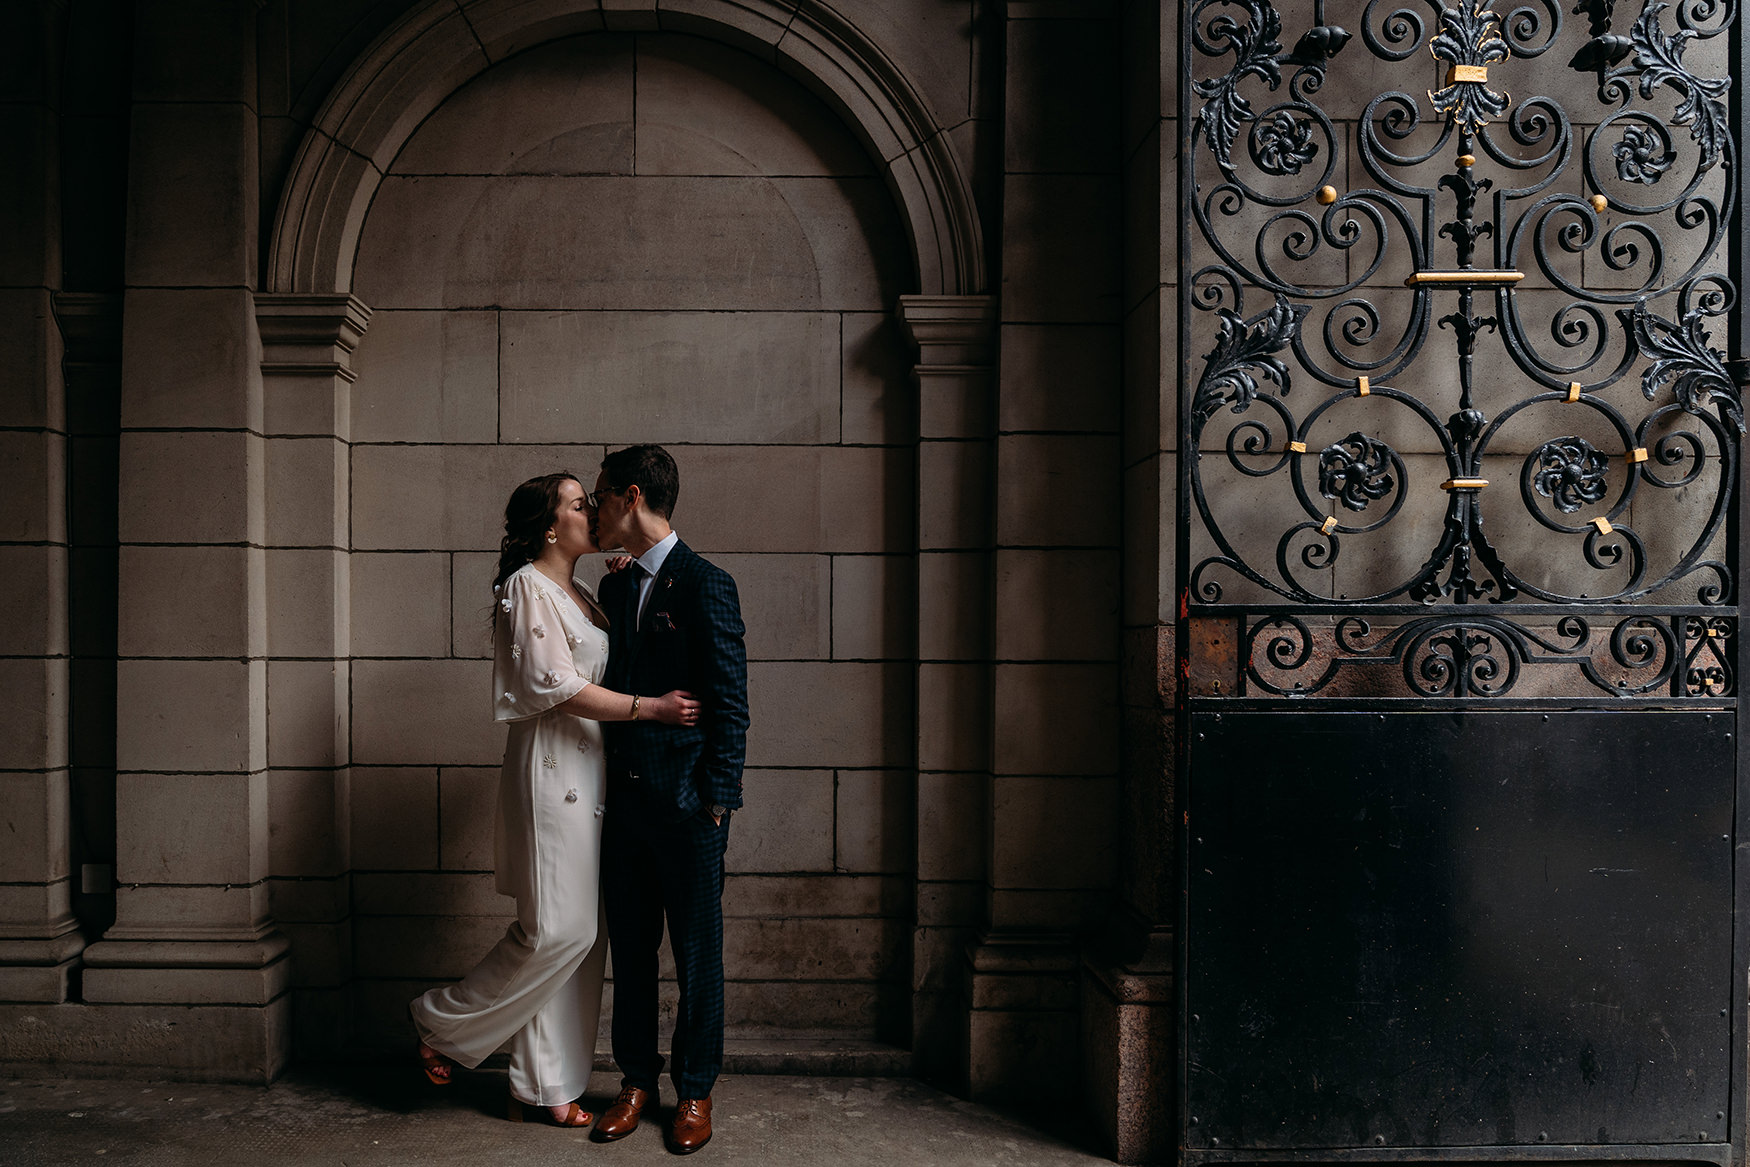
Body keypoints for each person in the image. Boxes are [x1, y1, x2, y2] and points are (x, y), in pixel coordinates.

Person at [410, 472, 700, 1128]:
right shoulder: (526, 586)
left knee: (584, 938)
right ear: (549, 525)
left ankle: (544, 1085)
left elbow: (605, 649)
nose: (592, 510)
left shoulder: (587, 591)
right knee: (556, 930)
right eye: (578, 503)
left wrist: (628, 574)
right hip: (551, 773)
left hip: (595, 775)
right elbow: (555, 685)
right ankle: (438, 1023)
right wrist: (649, 708)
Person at [588, 445, 749, 1155]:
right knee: (632, 952)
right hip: (623, 808)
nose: (593, 511)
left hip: (688, 812)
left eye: (598, 497)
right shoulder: (618, 585)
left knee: (696, 957)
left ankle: (695, 1091)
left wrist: (714, 804)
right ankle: (635, 1082)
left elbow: (731, 707)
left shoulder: (707, 583)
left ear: (630, 496)